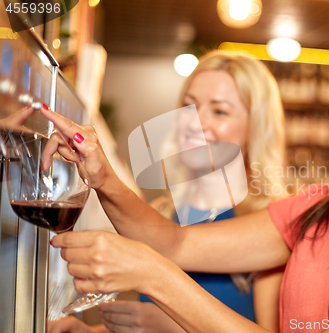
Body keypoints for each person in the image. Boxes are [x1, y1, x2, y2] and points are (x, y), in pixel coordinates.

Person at [43, 14, 329, 332]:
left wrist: (156, 278)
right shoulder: (319, 207)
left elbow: (164, 262)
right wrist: (99, 172)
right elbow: (175, 243)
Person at [47, 51, 287, 332]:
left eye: (219, 111)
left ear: (256, 127)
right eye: (189, 106)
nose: (196, 122)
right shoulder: (162, 213)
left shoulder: (270, 227)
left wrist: (171, 327)